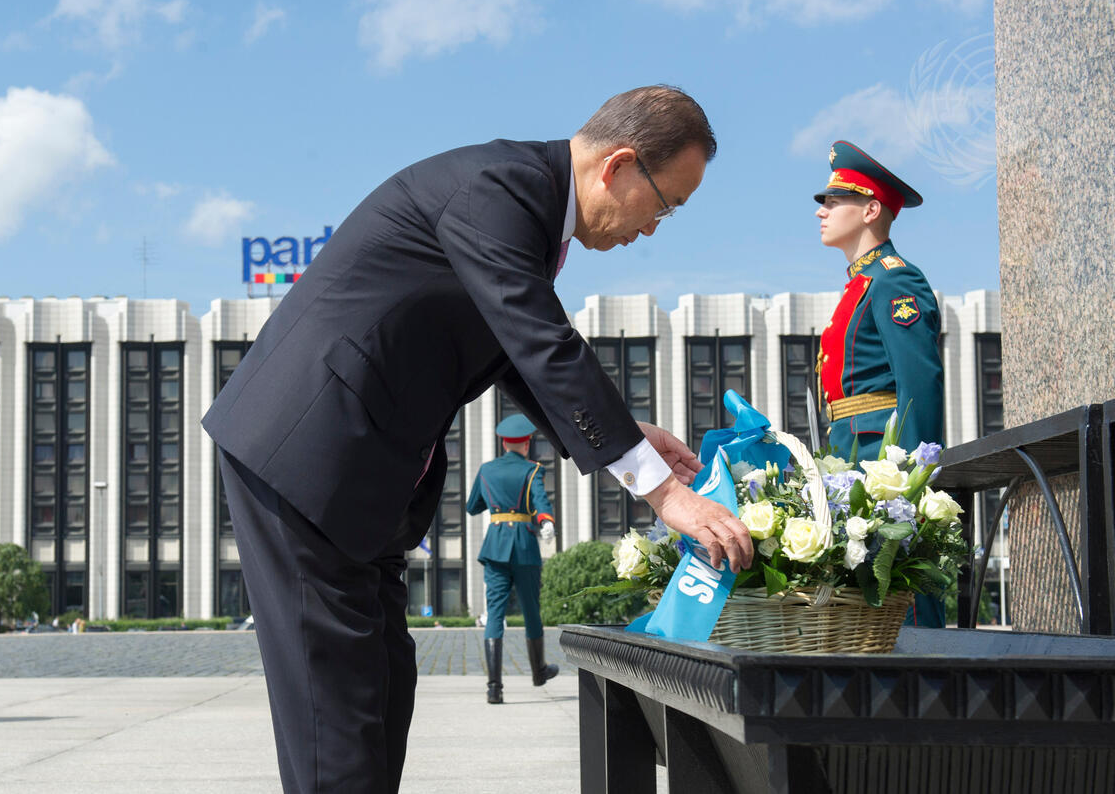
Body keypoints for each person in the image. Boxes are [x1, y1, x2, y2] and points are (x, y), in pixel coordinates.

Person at [203, 85, 753, 793]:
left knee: (380, 695)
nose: (654, 228)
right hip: (308, 456)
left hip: (361, 475)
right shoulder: (500, 188)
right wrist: (664, 491)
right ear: (618, 165)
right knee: (334, 718)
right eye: (664, 204)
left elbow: (515, 354)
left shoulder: (527, 210)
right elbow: (541, 341)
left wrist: (629, 432)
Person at [813, 139, 946, 627]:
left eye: (834, 201)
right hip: (852, 458)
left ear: (871, 210)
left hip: (883, 466)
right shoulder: (861, 283)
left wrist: (910, 484)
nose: (822, 211)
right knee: (866, 608)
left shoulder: (894, 281)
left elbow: (919, 387)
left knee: (901, 601)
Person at [467, 413, 559, 705]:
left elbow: (472, 506)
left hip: (495, 546)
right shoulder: (532, 470)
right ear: (526, 443)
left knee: (495, 614)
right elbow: (540, 500)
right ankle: (539, 672)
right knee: (531, 610)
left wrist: (496, 500)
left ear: (504, 443)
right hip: (523, 546)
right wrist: (546, 521)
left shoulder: (486, 470)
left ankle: (494, 688)